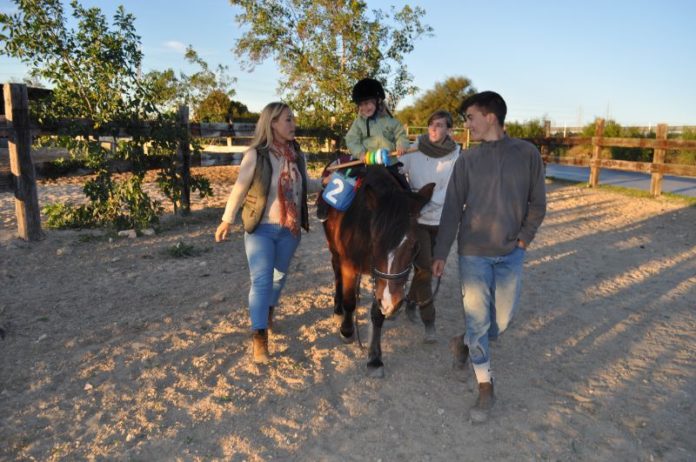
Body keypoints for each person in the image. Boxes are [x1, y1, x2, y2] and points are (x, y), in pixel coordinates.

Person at [431, 91, 547, 423]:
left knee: (502, 322)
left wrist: (524, 238)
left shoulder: (527, 154)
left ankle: (464, 342)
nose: (467, 125)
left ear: (490, 117)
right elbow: (452, 209)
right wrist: (441, 253)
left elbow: (538, 203)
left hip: (511, 253)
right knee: (478, 321)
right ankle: (485, 387)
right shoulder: (467, 160)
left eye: (470, 118)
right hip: (473, 254)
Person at [215, 102, 321, 364]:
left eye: (293, 119)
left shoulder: (297, 155)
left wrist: (327, 182)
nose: (293, 124)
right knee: (261, 281)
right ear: (272, 123)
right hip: (261, 229)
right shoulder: (256, 155)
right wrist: (227, 220)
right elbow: (239, 189)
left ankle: (268, 311)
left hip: (289, 231)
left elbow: (305, 186)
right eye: (288, 119)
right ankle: (259, 336)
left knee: (278, 279)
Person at [397, 110, 460, 343]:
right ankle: (429, 320)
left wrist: (424, 203)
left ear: (449, 130)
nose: (434, 129)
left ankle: (411, 301)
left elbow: (451, 188)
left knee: (426, 269)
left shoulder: (456, 155)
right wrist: (393, 156)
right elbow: (398, 170)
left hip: (442, 220)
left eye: (440, 125)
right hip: (418, 220)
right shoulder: (415, 149)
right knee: (425, 268)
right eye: (432, 124)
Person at [316, 78, 411, 220]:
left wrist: (401, 144)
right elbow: (351, 139)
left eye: (367, 103)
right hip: (364, 161)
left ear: (378, 101)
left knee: (403, 185)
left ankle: (409, 212)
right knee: (344, 175)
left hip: (389, 162)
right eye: (361, 104)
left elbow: (401, 135)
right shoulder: (358, 123)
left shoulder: (391, 122)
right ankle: (325, 205)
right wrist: (360, 153)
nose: (364, 107)